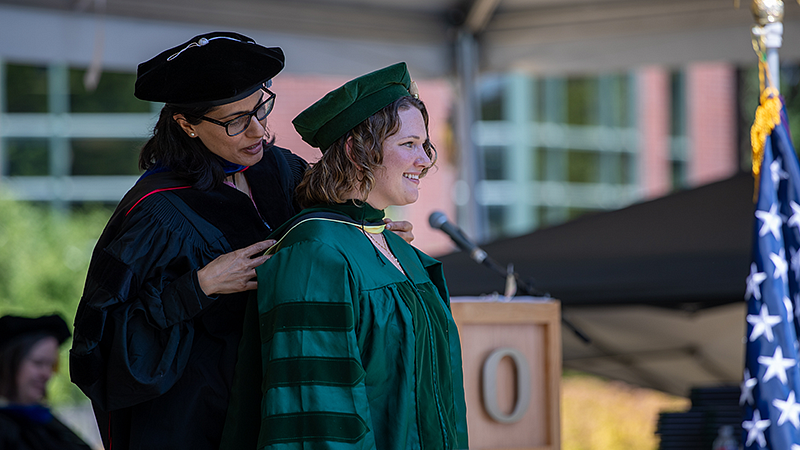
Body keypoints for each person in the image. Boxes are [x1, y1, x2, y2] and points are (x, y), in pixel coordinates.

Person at [221, 62, 469, 450]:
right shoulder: (314, 251)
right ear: (356, 151)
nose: (425, 160)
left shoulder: (400, 252)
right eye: (408, 145)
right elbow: (318, 416)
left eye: (424, 145)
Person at [0, 314, 92, 450]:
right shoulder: (6, 429)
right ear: (10, 363)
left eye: (52, 365)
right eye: (38, 363)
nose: (47, 374)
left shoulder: (46, 421)